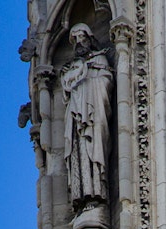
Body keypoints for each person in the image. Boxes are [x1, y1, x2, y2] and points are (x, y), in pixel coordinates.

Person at [61, 23, 113, 209]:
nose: (78, 42)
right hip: (77, 119)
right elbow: (66, 91)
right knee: (78, 151)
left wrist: (89, 84)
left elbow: (106, 82)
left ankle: (97, 194)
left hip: (92, 116)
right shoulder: (73, 67)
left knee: (94, 151)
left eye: (81, 37)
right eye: (74, 39)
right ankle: (81, 197)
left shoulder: (100, 60)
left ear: (90, 38)